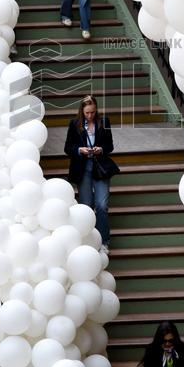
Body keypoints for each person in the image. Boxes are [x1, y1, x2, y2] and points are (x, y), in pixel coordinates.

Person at [64, 95, 119, 251]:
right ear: (82, 111)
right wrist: (79, 150)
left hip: (100, 166)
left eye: (93, 112)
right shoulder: (74, 124)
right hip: (83, 167)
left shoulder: (104, 122)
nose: (90, 115)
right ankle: (88, 241)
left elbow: (110, 146)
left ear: (96, 110)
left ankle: (103, 242)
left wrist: (101, 149)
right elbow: (67, 148)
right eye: (87, 113)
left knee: (102, 205)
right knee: (86, 206)